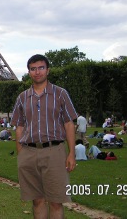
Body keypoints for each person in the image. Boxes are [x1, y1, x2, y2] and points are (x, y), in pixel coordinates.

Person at [11, 54, 77, 218]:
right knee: (37, 200)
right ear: (29, 72)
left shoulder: (60, 94)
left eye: (41, 68)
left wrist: (71, 153)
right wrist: (21, 153)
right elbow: (19, 126)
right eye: (33, 69)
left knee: (56, 201)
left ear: (48, 70)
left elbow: (69, 124)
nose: (37, 72)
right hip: (29, 152)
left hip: (54, 150)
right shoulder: (22, 97)